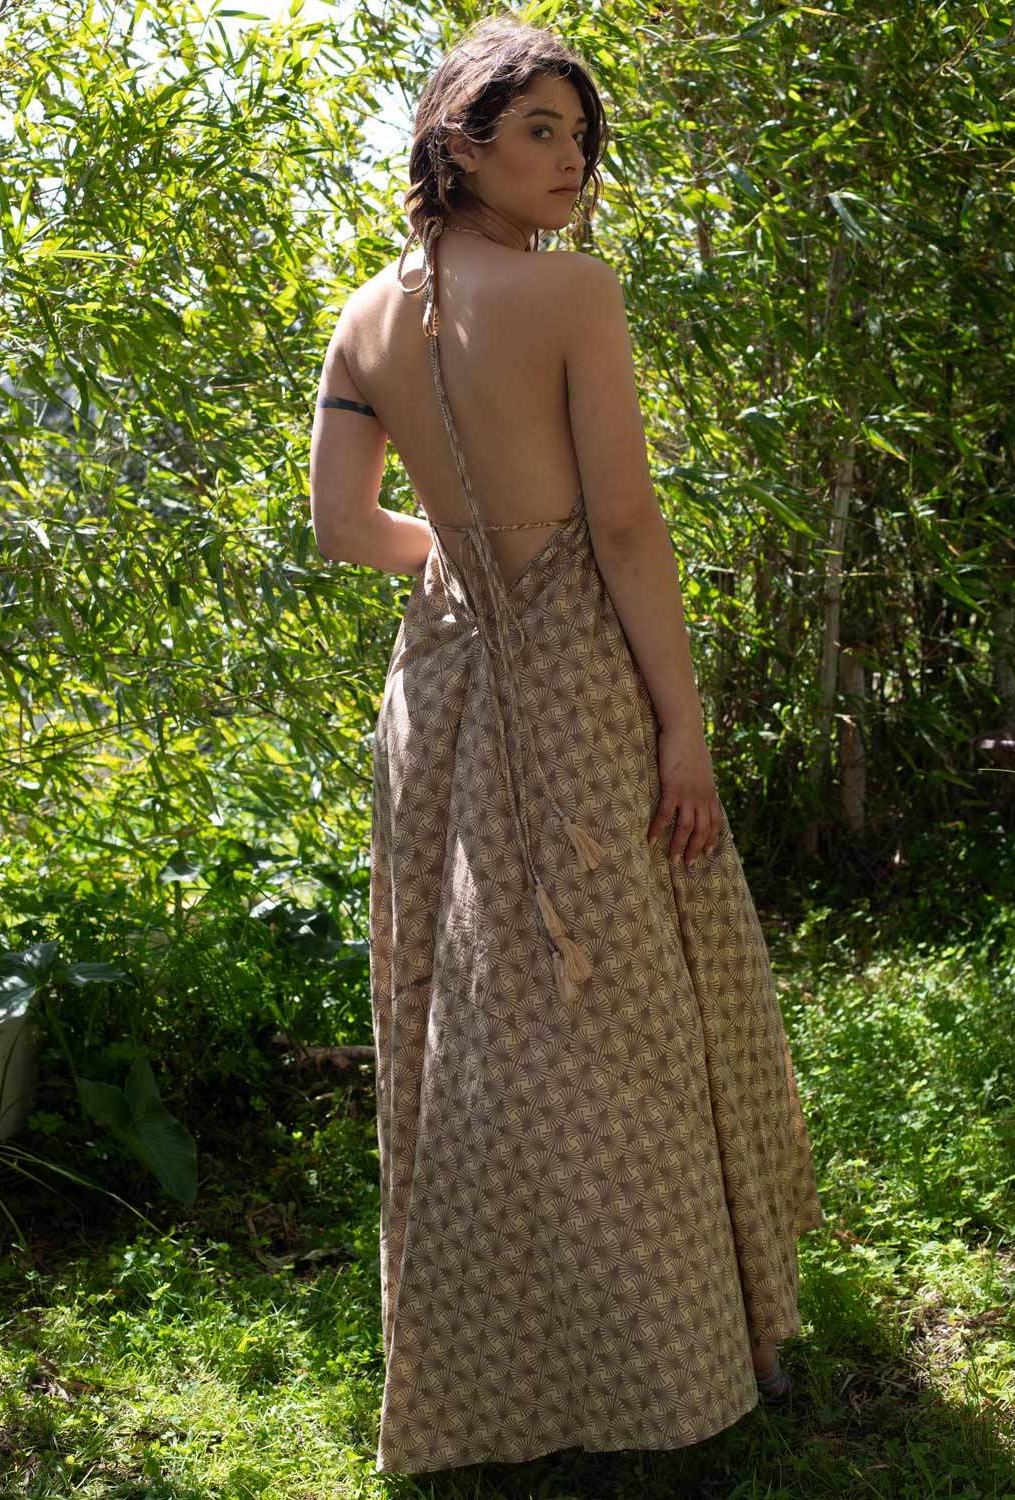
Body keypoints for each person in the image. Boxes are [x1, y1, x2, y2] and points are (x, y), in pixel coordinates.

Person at [309, 12, 825, 1478]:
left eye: (581, 137)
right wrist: (683, 729)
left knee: (466, 1015)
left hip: (438, 687)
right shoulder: (574, 294)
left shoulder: (364, 317)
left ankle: (496, 1373)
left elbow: (343, 529)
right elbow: (625, 524)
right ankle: (675, 1357)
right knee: (629, 1007)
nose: (572, 161)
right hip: (577, 678)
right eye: (539, 130)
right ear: (457, 142)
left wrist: (459, 556)